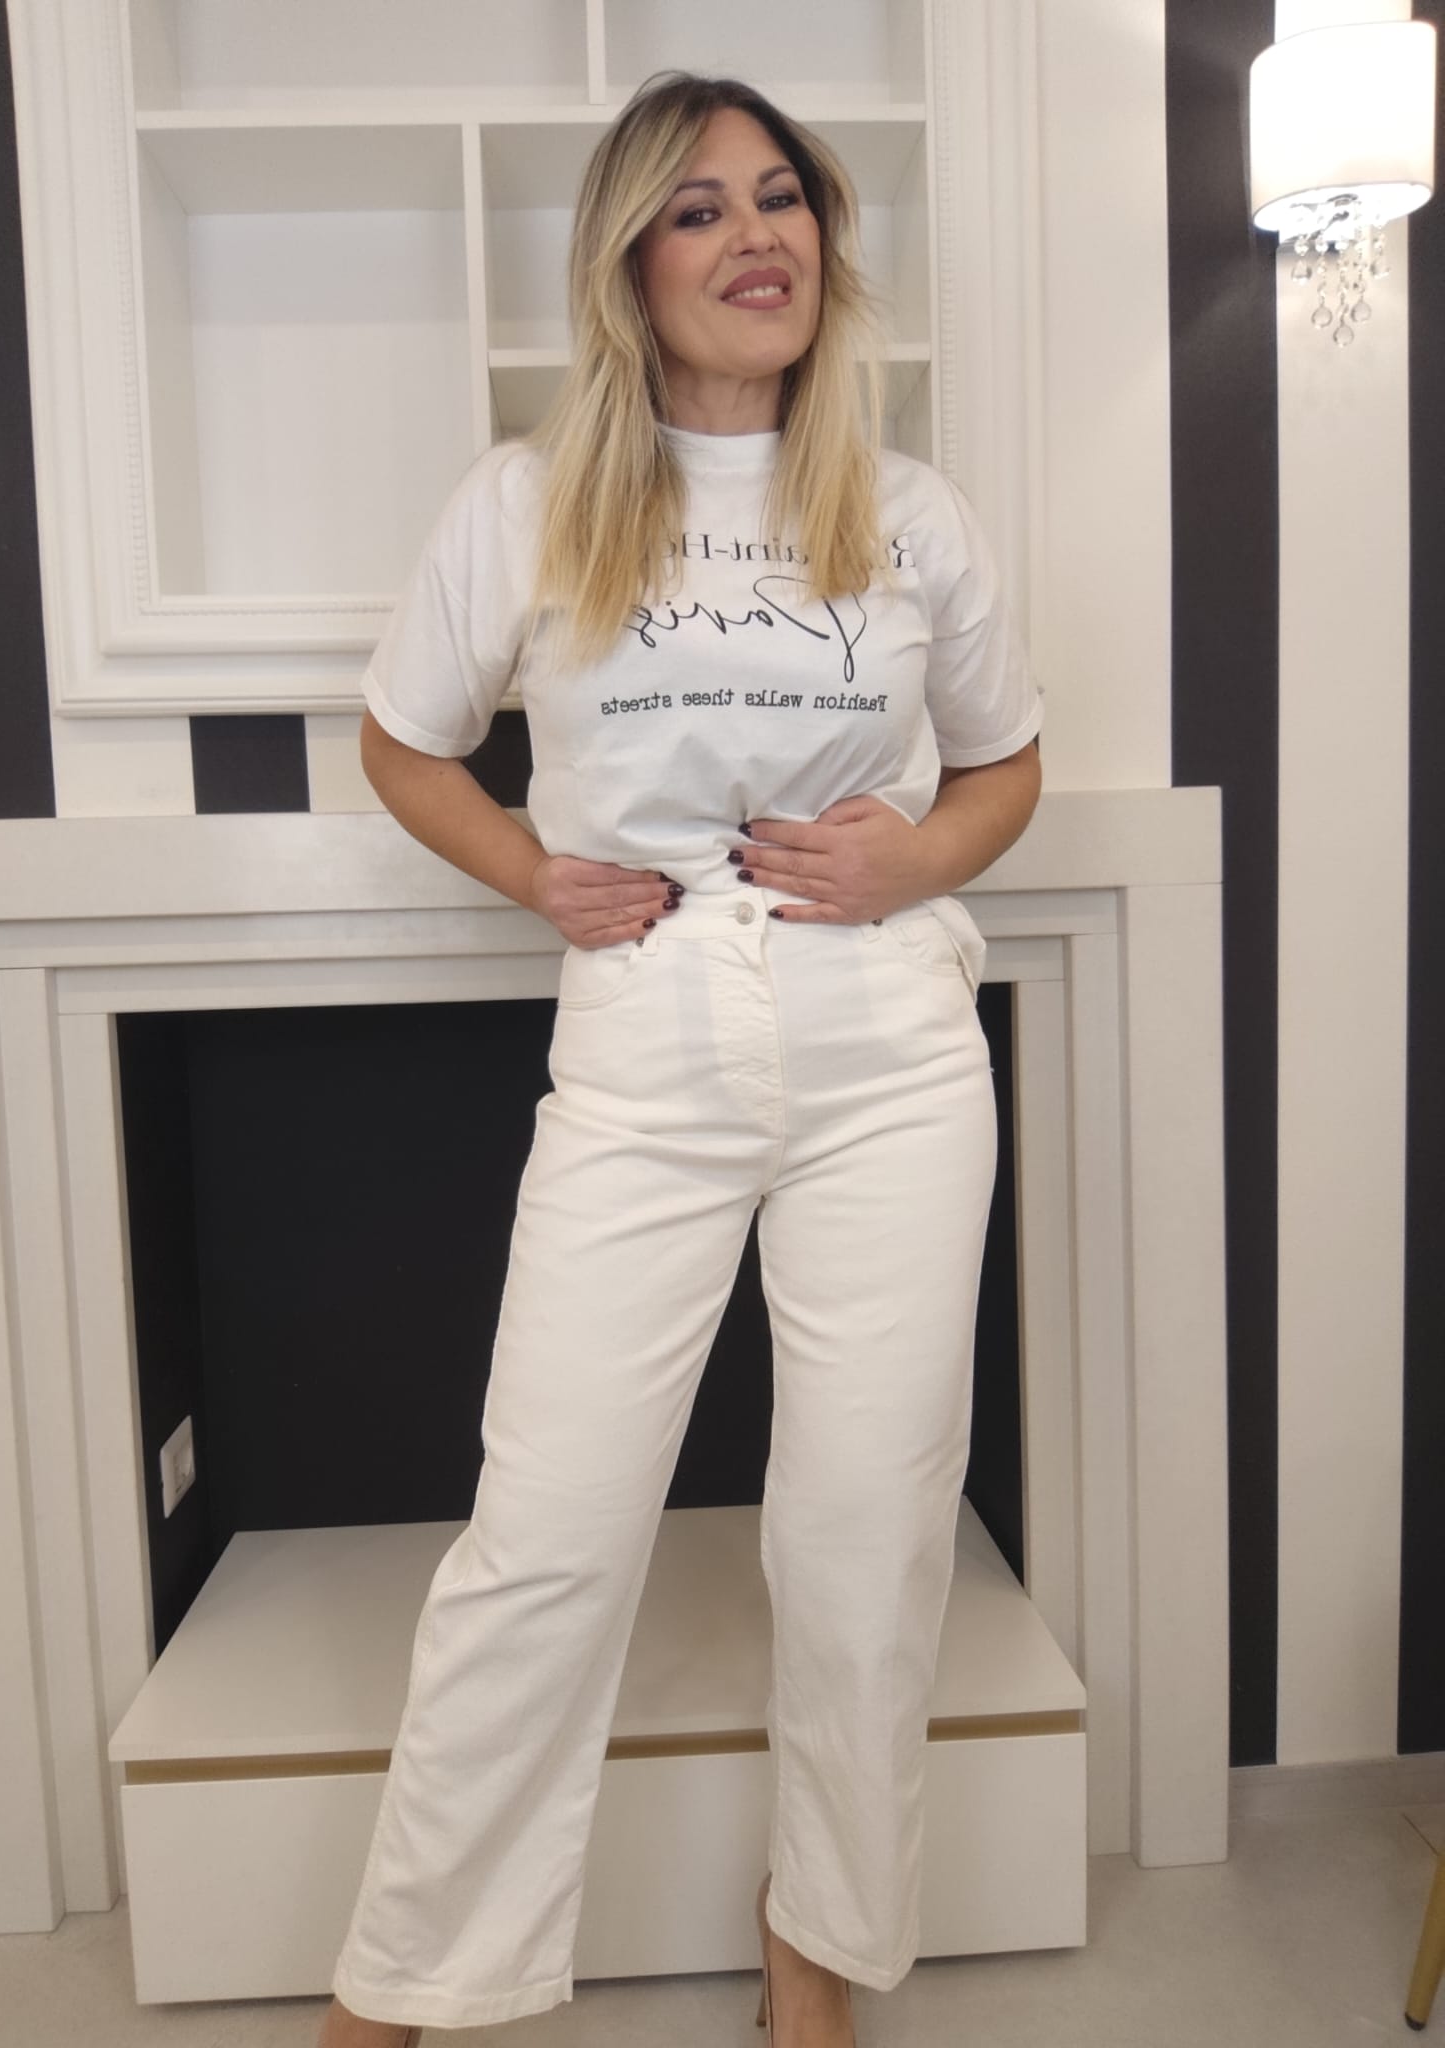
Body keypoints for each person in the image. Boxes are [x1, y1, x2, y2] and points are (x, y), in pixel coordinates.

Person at [318, 68, 1042, 2048]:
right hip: (646, 1040)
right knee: (545, 1537)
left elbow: (1004, 766)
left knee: (868, 1538)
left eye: (782, 198)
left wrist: (914, 858)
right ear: (631, 264)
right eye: (703, 209)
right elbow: (401, 739)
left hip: (889, 1047)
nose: (757, 237)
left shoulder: (908, 512)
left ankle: (815, 1952)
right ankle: (402, 1987)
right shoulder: (529, 501)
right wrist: (531, 872)